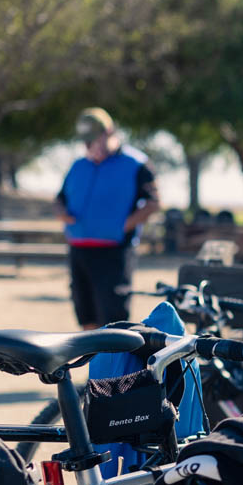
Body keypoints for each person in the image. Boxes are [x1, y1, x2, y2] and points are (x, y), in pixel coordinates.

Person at [56, 107, 159, 329]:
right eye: (85, 141)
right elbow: (60, 198)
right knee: (86, 316)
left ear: (109, 132)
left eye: (93, 140)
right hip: (79, 251)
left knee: (113, 321)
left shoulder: (135, 163)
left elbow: (153, 203)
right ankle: (93, 363)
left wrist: (122, 226)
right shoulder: (78, 166)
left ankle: (112, 364)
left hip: (114, 253)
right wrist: (62, 214)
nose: (89, 146)